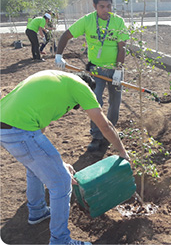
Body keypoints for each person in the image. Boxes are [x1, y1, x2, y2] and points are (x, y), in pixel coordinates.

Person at [0, 70, 130, 245]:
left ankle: (37, 211)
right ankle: (60, 241)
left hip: (6, 126)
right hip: (20, 130)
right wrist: (122, 152)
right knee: (61, 183)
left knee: (35, 168)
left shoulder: (57, 80)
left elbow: (40, 131)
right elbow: (104, 125)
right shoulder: (81, 87)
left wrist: (59, 162)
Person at [55, 0, 129, 152]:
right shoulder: (87, 21)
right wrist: (59, 55)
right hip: (94, 68)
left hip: (115, 68)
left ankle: (110, 133)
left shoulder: (118, 22)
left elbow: (121, 47)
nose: (106, 10)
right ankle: (96, 136)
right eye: (102, 6)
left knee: (115, 104)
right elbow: (66, 35)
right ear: (94, 6)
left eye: (109, 6)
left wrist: (118, 69)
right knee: (94, 102)